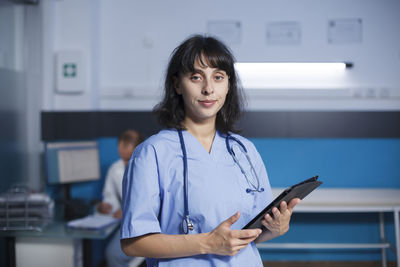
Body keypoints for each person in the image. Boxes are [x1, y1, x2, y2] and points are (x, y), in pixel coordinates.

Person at [120, 35, 300, 266]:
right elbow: (133, 243)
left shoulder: (245, 151)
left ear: (228, 85)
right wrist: (207, 243)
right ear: (177, 84)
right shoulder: (152, 153)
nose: (208, 89)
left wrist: (276, 228)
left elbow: (250, 232)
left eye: (218, 77)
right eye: (196, 77)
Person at [98, 129, 144, 267]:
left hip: (146, 225)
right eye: (122, 158)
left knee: (114, 255)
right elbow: (109, 196)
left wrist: (128, 211)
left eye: (128, 158)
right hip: (127, 224)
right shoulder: (115, 169)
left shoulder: (151, 168)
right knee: (112, 255)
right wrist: (107, 205)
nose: (125, 163)